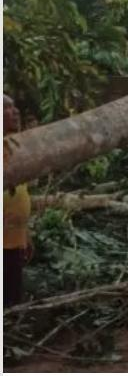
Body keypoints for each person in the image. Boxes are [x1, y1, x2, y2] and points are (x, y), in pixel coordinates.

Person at [3, 94, 32, 308]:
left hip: (13, 242)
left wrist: (25, 236)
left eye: (14, 106)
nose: (15, 112)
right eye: (7, 108)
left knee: (12, 301)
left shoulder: (13, 149)